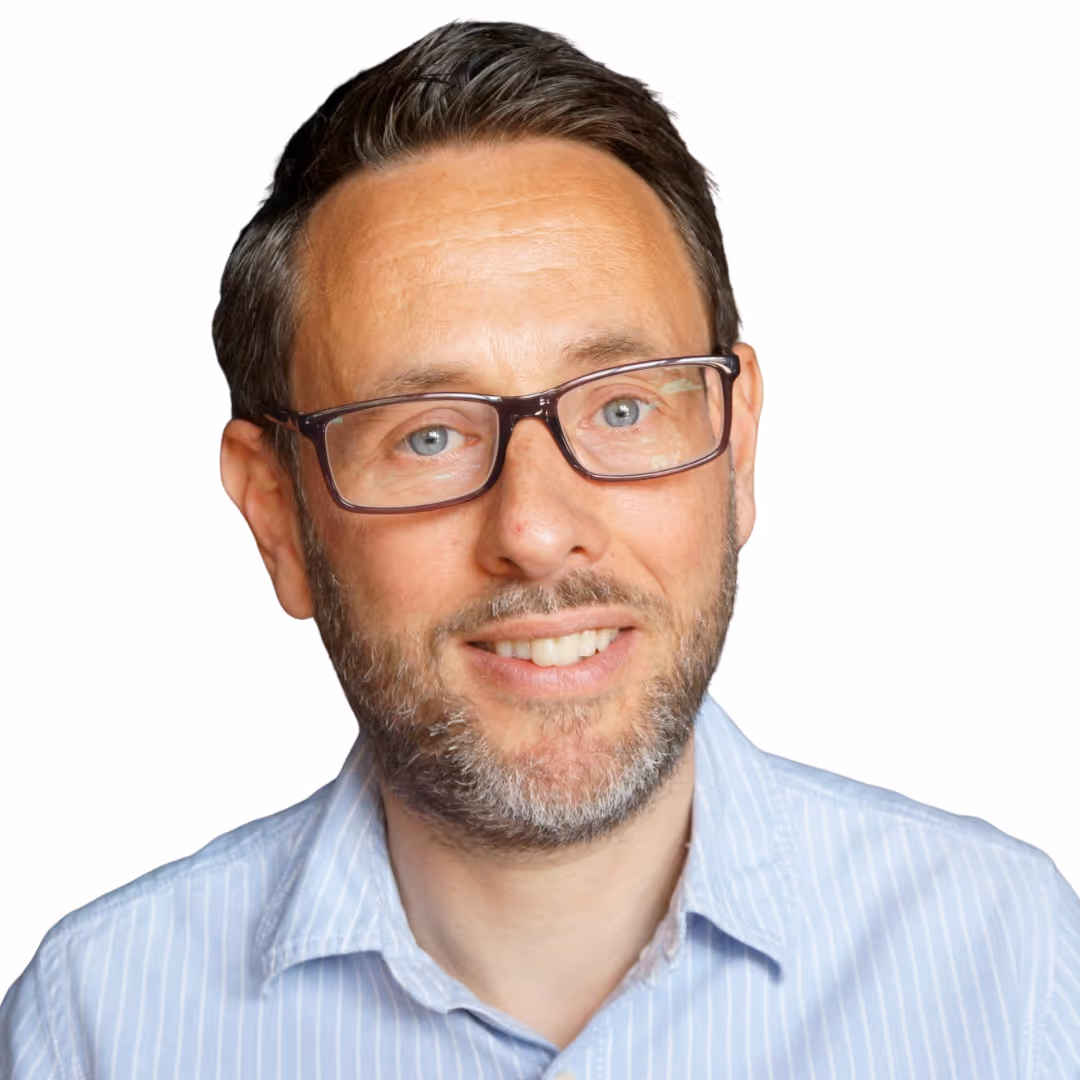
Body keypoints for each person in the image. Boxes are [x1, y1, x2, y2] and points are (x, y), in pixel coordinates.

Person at [2, 19, 1078, 1078]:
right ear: (277, 514)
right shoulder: (96, 1027)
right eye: (428, 436)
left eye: (622, 409)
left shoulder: (1018, 973)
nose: (534, 528)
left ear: (738, 448)